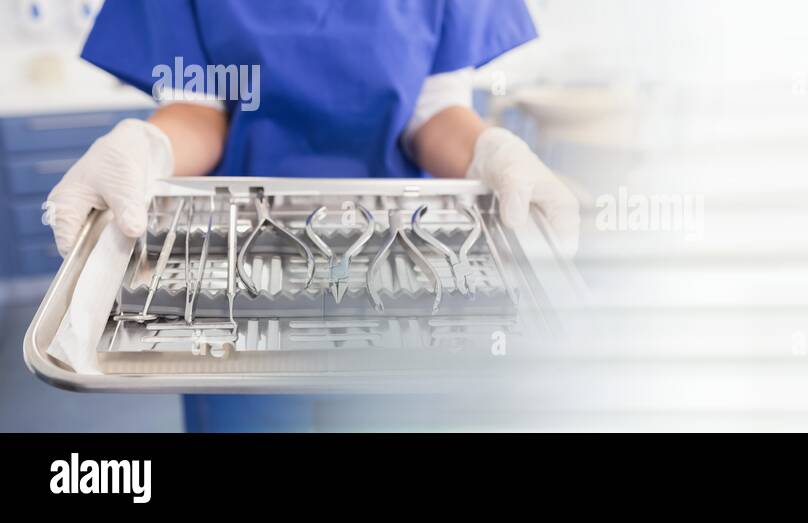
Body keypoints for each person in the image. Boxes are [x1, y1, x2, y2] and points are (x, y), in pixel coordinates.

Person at [45, 0, 579, 431]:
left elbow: (433, 111)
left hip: (399, 263)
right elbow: (200, 109)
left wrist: (491, 151)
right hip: (231, 271)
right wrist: (147, 146)